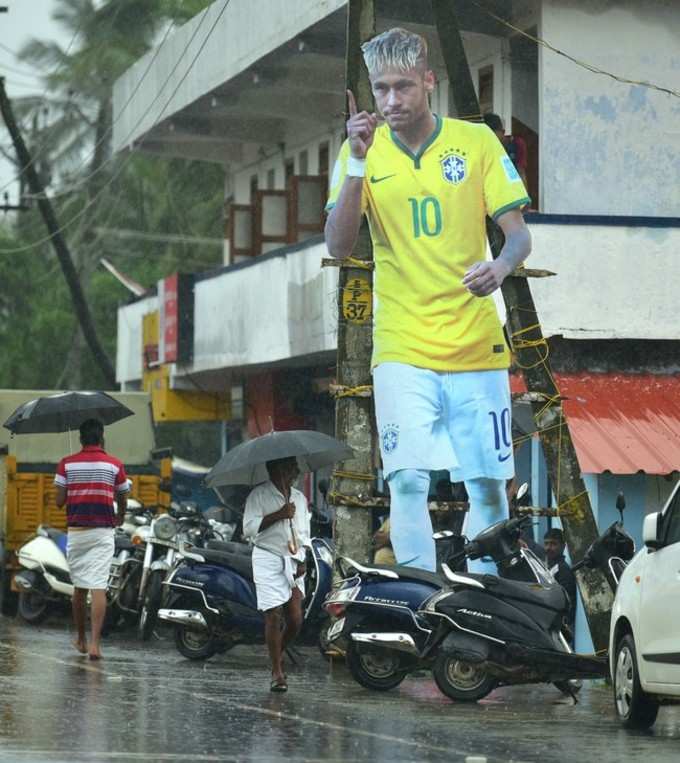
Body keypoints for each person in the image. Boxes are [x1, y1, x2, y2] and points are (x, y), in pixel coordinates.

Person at [324, 28, 532, 573]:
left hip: (476, 345)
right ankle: (419, 597)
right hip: (402, 347)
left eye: (403, 87)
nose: (391, 101)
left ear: (429, 83)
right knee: (407, 481)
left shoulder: (476, 142)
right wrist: (356, 164)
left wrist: (501, 266)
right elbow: (338, 244)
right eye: (381, 89)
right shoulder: (359, 152)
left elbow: (518, 235)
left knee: (487, 486)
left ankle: (480, 609)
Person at [54, 418, 129, 660]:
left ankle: (81, 639)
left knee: (79, 587)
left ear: (80, 438)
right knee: (99, 586)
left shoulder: (66, 464)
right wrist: (121, 515)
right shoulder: (115, 465)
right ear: (101, 437)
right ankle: (96, 645)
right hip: (103, 531)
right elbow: (123, 496)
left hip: (77, 532)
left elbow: (59, 501)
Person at [242, 456, 310, 692]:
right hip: (267, 557)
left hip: (293, 559)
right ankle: (277, 671)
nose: (295, 471)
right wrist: (279, 514)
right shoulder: (258, 495)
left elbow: (304, 533)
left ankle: (276, 653)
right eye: (290, 467)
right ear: (275, 469)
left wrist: (303, 559)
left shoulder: (300, 498)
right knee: (273, 614)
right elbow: (249, 529)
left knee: (295, 619)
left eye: (295, 467)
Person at [544, 528, 577, 637]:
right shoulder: (546, 566)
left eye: (553, 544)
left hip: (559, 629)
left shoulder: (563, 569)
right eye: (546, 544)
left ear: (563, 546)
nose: (549, 548)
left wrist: (563, 625)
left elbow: (568, 602)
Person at [482, 112, 529, 190]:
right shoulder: (484, 148)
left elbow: (521, 172)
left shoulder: (517, 144)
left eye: (494, 136)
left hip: (513, 190)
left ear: (503, 132)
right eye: (489, 137)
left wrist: (525, 196)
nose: (492, 140)